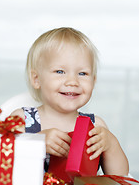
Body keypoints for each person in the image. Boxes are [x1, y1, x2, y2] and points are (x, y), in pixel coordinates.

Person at [11, 27, 129, 175]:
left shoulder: (95, 126)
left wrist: (111, 145)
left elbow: (120, 177)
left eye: (82, 73)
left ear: (94, 81)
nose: (73, 81)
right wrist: (35, 143)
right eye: (60, 71)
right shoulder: (22, 120)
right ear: (37, 79)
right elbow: (1, 162)